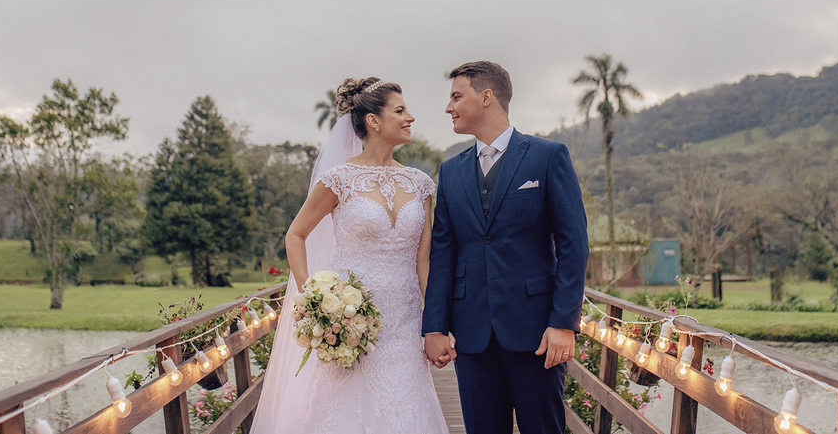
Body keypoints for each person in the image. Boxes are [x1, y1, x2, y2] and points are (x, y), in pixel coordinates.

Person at [252, 77, 450, 434]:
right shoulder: (338, 179)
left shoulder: (420, 183)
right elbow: (295, 235)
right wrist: (312, 296)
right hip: (350, 320)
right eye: (400, 111)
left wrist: (434, 322)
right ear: (373, 121)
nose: (411, 118)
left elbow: (424, 260)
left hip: (405, 324)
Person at [422, 61, 589, 434]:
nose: (448, 107)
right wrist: (434, 326)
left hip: (536, 332)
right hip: (472, 334)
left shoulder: (547, 157)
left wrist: (564, 323)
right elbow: (443, 252)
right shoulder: (450, 171)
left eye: (455, 97)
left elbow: (573, 245)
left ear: (486, 97)